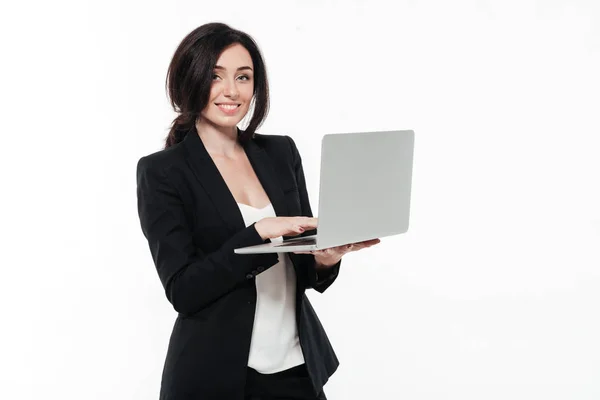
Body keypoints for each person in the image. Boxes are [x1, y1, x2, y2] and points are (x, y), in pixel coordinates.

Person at [136, 22, 379, 400]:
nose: (232, 91)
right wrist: (257, 232)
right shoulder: (163, 172)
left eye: (244, 77)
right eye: (216, 77)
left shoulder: (281, 153)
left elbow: (302, 265)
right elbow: (183, 290)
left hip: (297, 370)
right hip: (216, 378)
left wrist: (326, 259)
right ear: (190, 81)